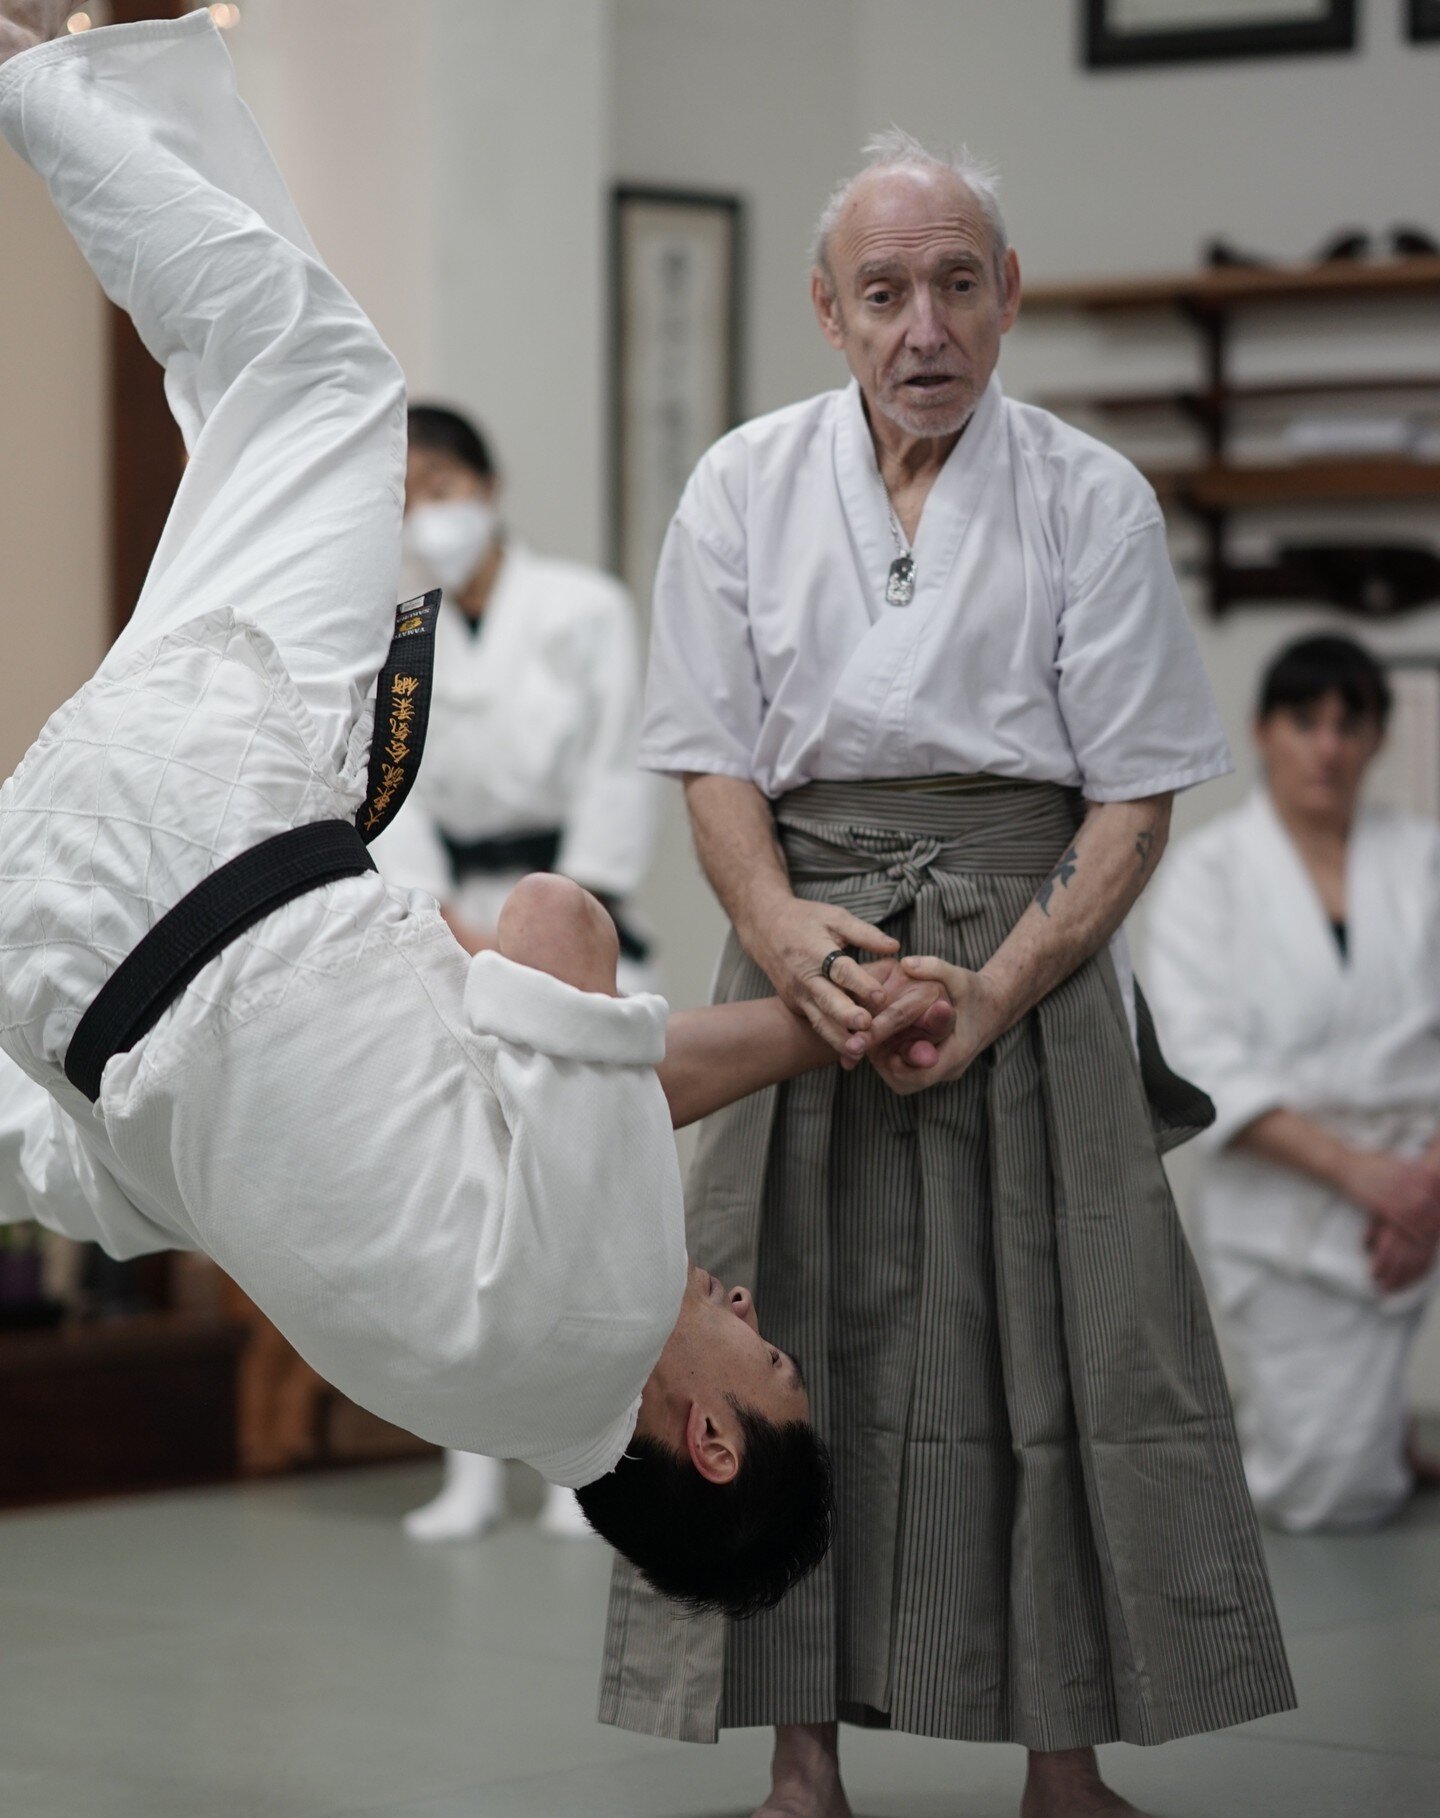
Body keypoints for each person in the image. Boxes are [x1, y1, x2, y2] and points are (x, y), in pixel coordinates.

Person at [0, 4, 949, 1617]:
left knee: (319, 380)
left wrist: (740, 990)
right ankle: (127, 52)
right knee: (252, 385)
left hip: (207, 832)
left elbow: (556, 928)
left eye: (766, 1350)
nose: (738, 1298)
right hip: (64, 945)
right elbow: (571, 1099)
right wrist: (808, 1029)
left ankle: (40, 65)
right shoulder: (494, 1397)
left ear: (708, 1434)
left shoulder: (613, 1292)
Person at [598, 128, 1294, 1818]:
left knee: (1055, 1345)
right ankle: (798, 1756)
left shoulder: (1088, 494)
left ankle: (1067, 1757)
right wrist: (777, 935)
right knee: (784, 1316)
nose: (928, 326)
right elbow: (708, 760)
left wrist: (1004, 983)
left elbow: (1136, 791)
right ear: (828, 311)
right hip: (810, 940)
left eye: (960, 284)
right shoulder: (745, 486)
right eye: (889, 290)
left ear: (1010, 299)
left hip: (1029, 954)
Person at [374, 402, 660, 1542]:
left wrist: (563, 921)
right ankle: (472, 1470)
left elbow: (618, 765)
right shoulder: (398, 631)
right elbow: (385, 793)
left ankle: (590, 1465)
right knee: (463, 1187)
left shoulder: (584, 608)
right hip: (450, 918)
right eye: (403, 493)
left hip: (576, 906)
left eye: (439, 481)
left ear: (487, 484)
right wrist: (447, 919)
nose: (424, 511)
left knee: (585, 1184)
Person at [1147, 635, 1440, 1534]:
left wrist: (1424, 1183)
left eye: (1350, 725)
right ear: (1262, 731)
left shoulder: (1424, 855)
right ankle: (1367, 1442)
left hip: (1427, 1180)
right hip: (1288, 1207)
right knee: (1328, 1492)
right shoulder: (1209, 876)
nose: (1328, 747)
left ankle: (1389, 1431)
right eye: (1305, 722)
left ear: (1378, 739)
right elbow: (1201, 1059)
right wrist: (1370, 1181)